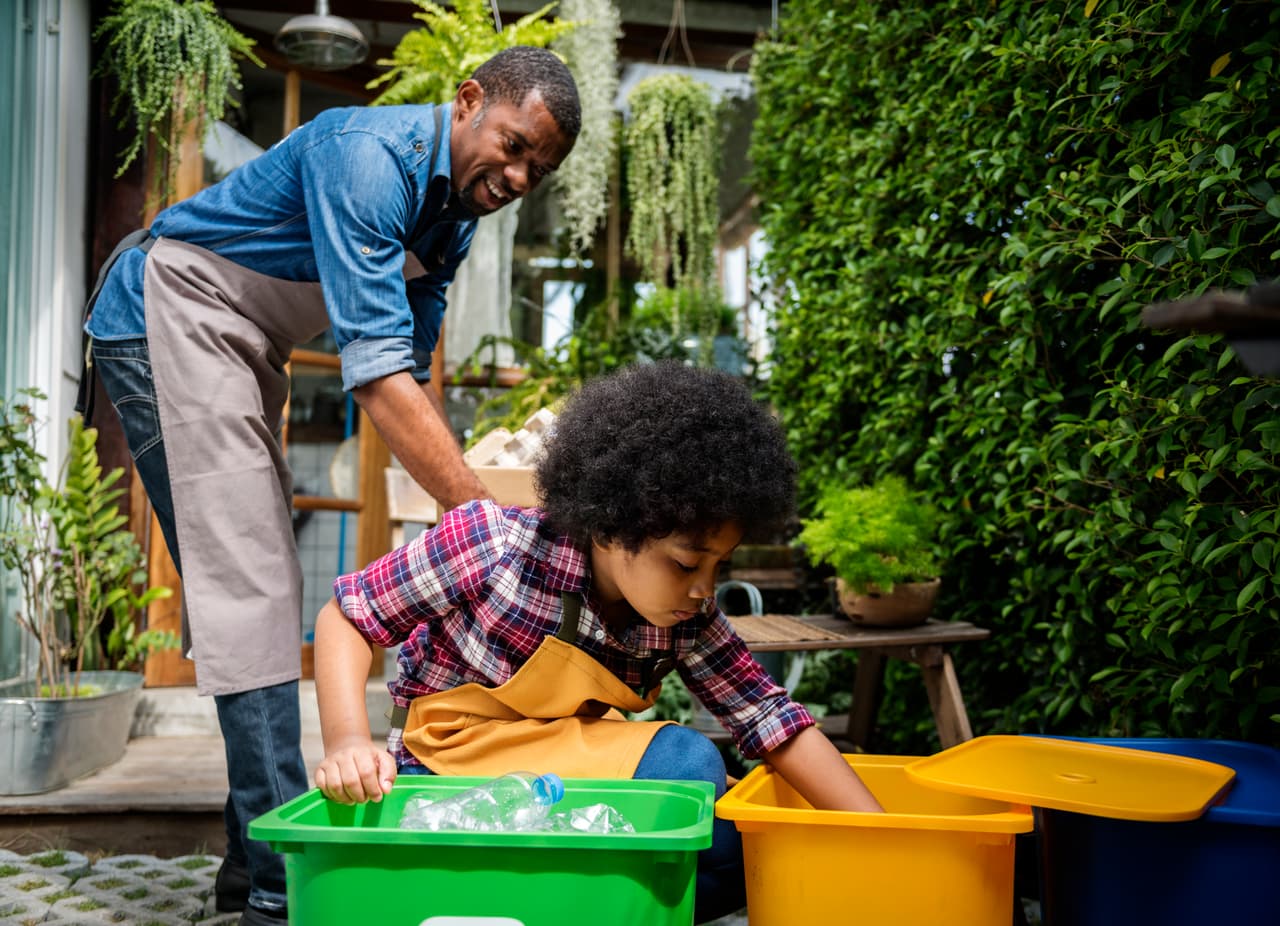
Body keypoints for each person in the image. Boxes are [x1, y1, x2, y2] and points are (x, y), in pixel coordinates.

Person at [78, 47, 580, 926]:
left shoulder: (452, 215)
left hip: (240, 343)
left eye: (536, 169)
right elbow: (377, 376)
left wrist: (457, 513)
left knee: (253, 574)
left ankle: (249, 874)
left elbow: (411, 374)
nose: (515, 175)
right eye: (511, 146)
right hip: (170, 309)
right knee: (255, 582)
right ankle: (280, 891)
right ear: (468, 102)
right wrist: (490, 524)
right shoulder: (368, 156)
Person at [313, 362, 884, 925]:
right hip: (447, 778)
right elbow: (348, 617)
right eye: (687, 561)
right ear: (612, 528)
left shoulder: (687, 615)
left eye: (719, 565)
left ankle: (550, 908)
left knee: (753, 847)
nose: (704, 588)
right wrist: (347, 743)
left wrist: (880, 836)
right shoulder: (492, 543)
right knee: (686, 767)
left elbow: (766, 714)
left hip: (562, 786)